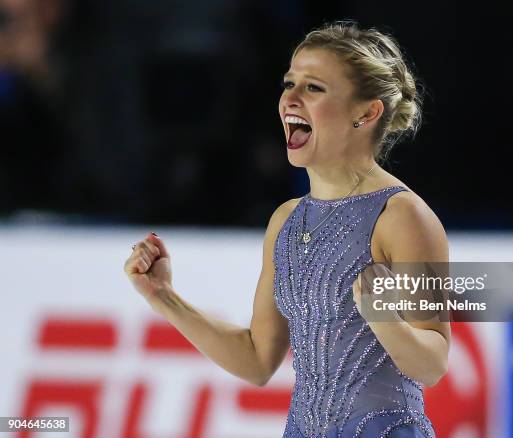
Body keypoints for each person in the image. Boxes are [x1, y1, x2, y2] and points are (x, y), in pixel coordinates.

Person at [124, 20, 449, 438]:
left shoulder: (402, 216)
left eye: (314, 88)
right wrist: (163, 297)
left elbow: (433, 364)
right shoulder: (286, 221)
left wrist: (384, 319)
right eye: (289, 83)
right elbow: (258, 360)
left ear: (366, 112)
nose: (289, 99)